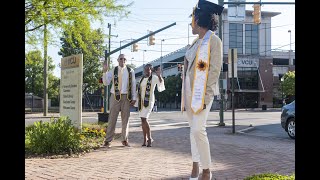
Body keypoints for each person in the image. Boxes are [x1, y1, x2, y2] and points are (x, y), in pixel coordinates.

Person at [181, 0, 223, 179]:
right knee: (193, 130)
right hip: (189, 91)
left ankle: (207, 170)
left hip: (202, 92)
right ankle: (195, 165)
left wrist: (206, 96)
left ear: (199, 20)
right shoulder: (194, 43)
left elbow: (214, 70)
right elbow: (188, 66)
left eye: (192, 19)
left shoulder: (214, 41)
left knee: (199, 129)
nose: (191, 23)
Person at [102, 54, 137, 147]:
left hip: (126, 97)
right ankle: (108, 140)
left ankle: (124, 139)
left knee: (126, 119)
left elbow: (133, 84)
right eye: (121, 59)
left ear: (126, 60)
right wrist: (104, 71)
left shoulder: (131, 71)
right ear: (118, 60)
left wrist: (134, 98)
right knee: (112, 119)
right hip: (114, 96)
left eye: (124, 59)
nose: (123, 60)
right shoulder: (113, 70)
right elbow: (106, 83)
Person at [137, 64, 165, 147]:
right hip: (141, 102)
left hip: (149, 101)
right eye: (145, 69)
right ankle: (144, 139)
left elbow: (161, 84)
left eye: (148, 69)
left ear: (151, 70)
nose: (146, 71)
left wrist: (159, 76)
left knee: (145, 119)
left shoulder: (154, 78)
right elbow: (138, 90)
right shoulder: (141, 79)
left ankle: (149, 139)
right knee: (142, 120)